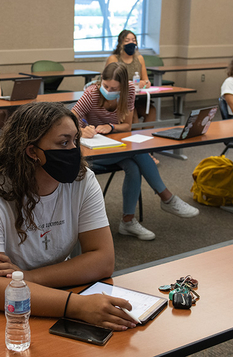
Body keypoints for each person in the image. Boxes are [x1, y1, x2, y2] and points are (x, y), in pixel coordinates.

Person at [0, 102, 139, 331]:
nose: (74, 150)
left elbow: (103, 260)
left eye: (75, 140)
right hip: (16, 313)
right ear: (32, 151)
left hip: (53, 290)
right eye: (64, 142)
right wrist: (76, 306)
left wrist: (26, 278)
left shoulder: (82, 181)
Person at [72, 62, 199, 241]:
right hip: (92, 153)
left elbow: (127, 126)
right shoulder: (92, 93)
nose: (107, 90)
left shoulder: (130, 91)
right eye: (105, 85)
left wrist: (110, 126)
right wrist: (81, 130)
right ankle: (166, 199)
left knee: (133, 166)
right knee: (138, 152)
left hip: (115, 147)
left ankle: (128, 222)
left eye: (113, 88)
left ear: (123, 86)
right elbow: (69, 119)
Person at [106, 29, 156, 125]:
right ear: (120, 43)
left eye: (133, 40)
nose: (131, 43)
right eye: (127, 40)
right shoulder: (114, 59)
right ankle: (133, 137)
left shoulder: (139, 59)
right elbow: (109, 82)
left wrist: (144, 83)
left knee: (151, 111)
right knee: (133, 115)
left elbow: (146, 81)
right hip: (120, 99)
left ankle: (146, 136)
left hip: (137, 97)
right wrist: (131, 84)